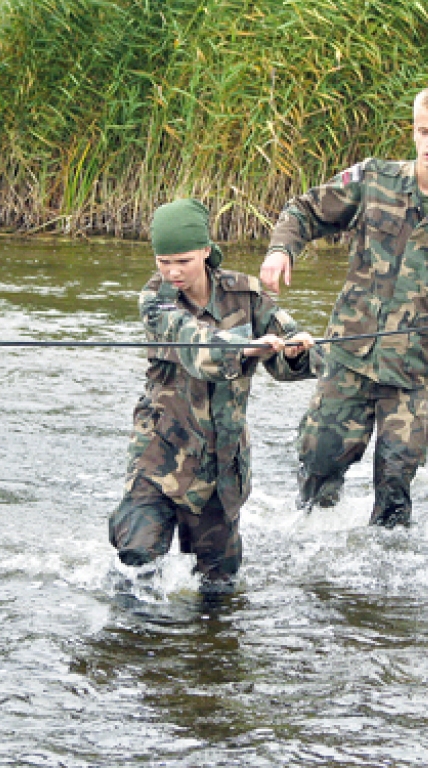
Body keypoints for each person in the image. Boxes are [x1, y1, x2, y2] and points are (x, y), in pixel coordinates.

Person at [259, 86, 428, 527]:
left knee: (396, 480)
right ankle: (311, 539)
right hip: (349, 354)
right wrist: (282, 251)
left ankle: (387, 565)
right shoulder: (374, 180)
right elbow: (305, 210)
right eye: (423, 131)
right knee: (319, 461)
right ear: (413, 132)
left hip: (410, 369)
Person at [109, 199, 318, 590]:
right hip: (160, 453)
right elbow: (196, 346)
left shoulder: (246, 294)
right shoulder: (156, 301)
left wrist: (296, 351)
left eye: (183, 261)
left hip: (221, 460)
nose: (172, 271)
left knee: (219, 582)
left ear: (206, 251)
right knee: (136, 558)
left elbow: (290, 351)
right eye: (163, 261)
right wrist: (246, 348)